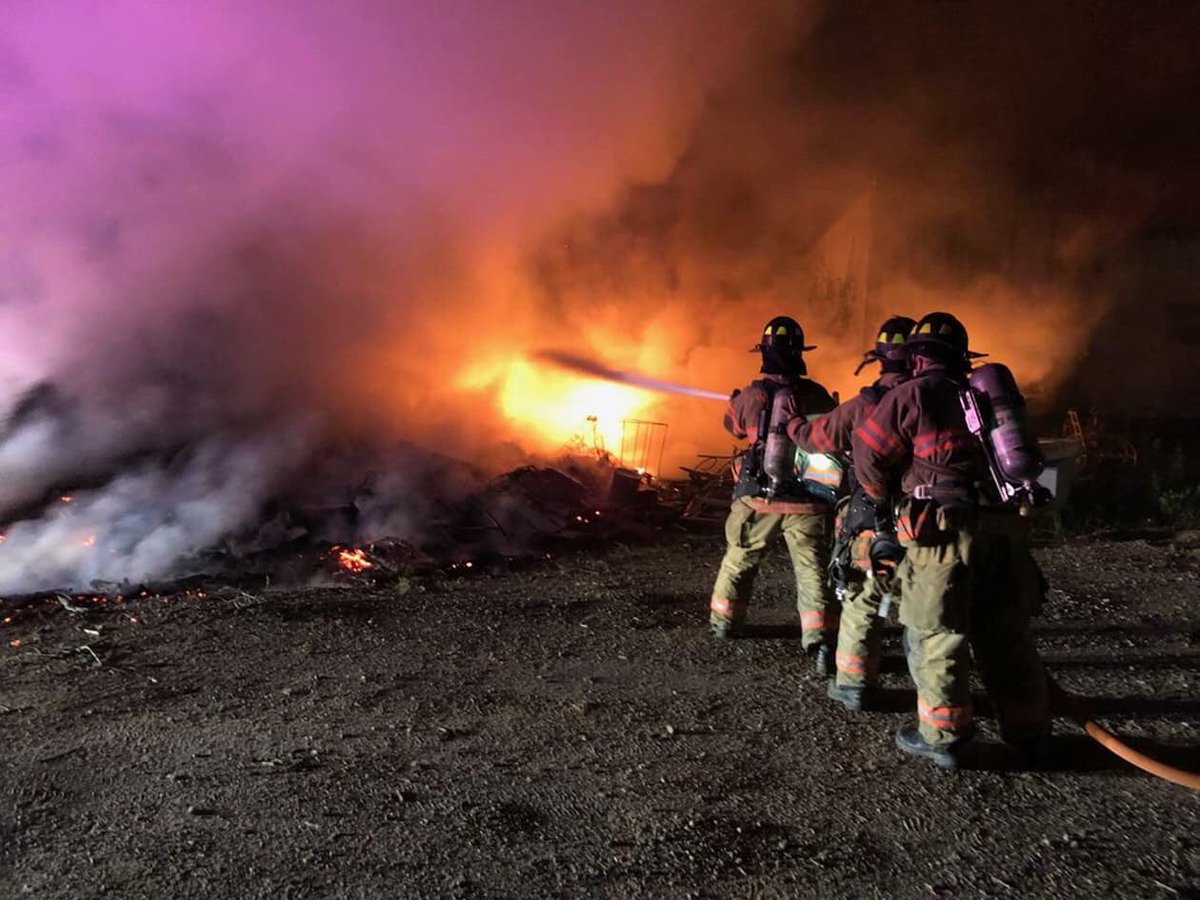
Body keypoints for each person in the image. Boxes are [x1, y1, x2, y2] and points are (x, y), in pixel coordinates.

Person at [851, 311, 1051, 768]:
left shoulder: (913, 393)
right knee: (1005, 634)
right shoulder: (987, 396)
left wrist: (887, 503)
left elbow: (868, 459)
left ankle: (944, 737)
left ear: (917, 358)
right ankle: (1030, 732)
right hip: (1003, 530)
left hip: (944, 534)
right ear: (963, 357)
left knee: (938, 633)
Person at [786, 316, 915, 709]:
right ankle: (926, 668)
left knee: (863, 596)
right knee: (930, 598)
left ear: (880, 358)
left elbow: (814, 438)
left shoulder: (865, 405)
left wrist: (792, 424)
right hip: (931, 516)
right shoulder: (943, 398)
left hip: (871, 517)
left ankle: (856, 682)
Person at [709, 316, 839, 670]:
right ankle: (820, 640)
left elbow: (733, 428)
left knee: (740, 557)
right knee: (812, 567)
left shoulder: (751, 396)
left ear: (763, 353)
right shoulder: (816, 394)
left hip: (759, 497)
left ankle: (725, 622)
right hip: (808, 500)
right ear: (800, 353)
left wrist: (735, 403)